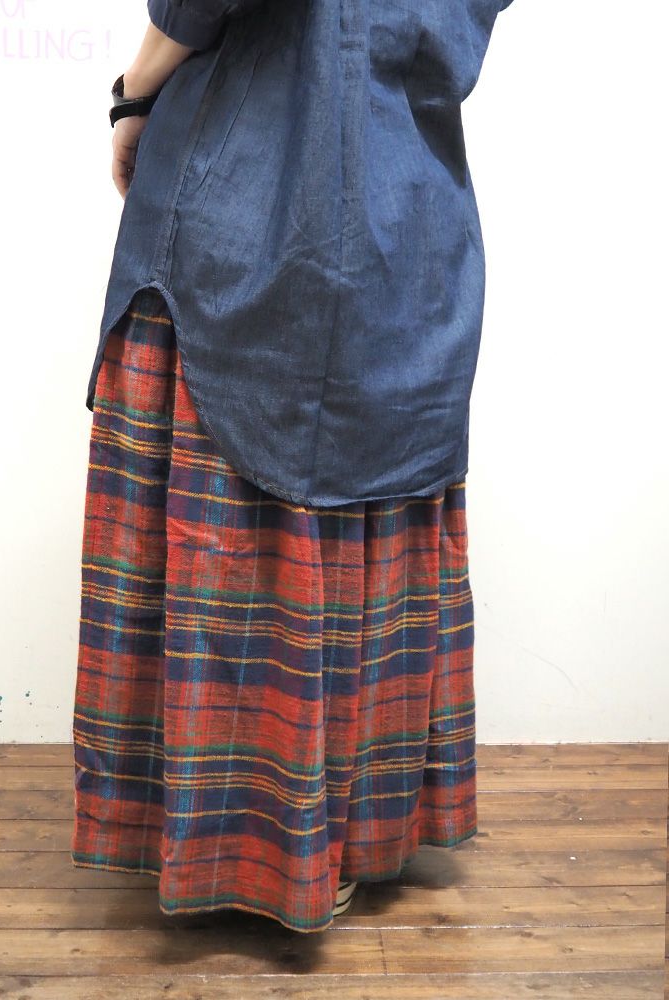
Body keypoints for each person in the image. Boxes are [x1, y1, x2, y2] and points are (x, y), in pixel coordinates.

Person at [71, 0, 515, 933]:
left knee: (236, 510)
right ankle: (350, 837)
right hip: (408, 203)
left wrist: (134, 92)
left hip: (246, 192)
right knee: (369, 498)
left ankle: (248, 853)